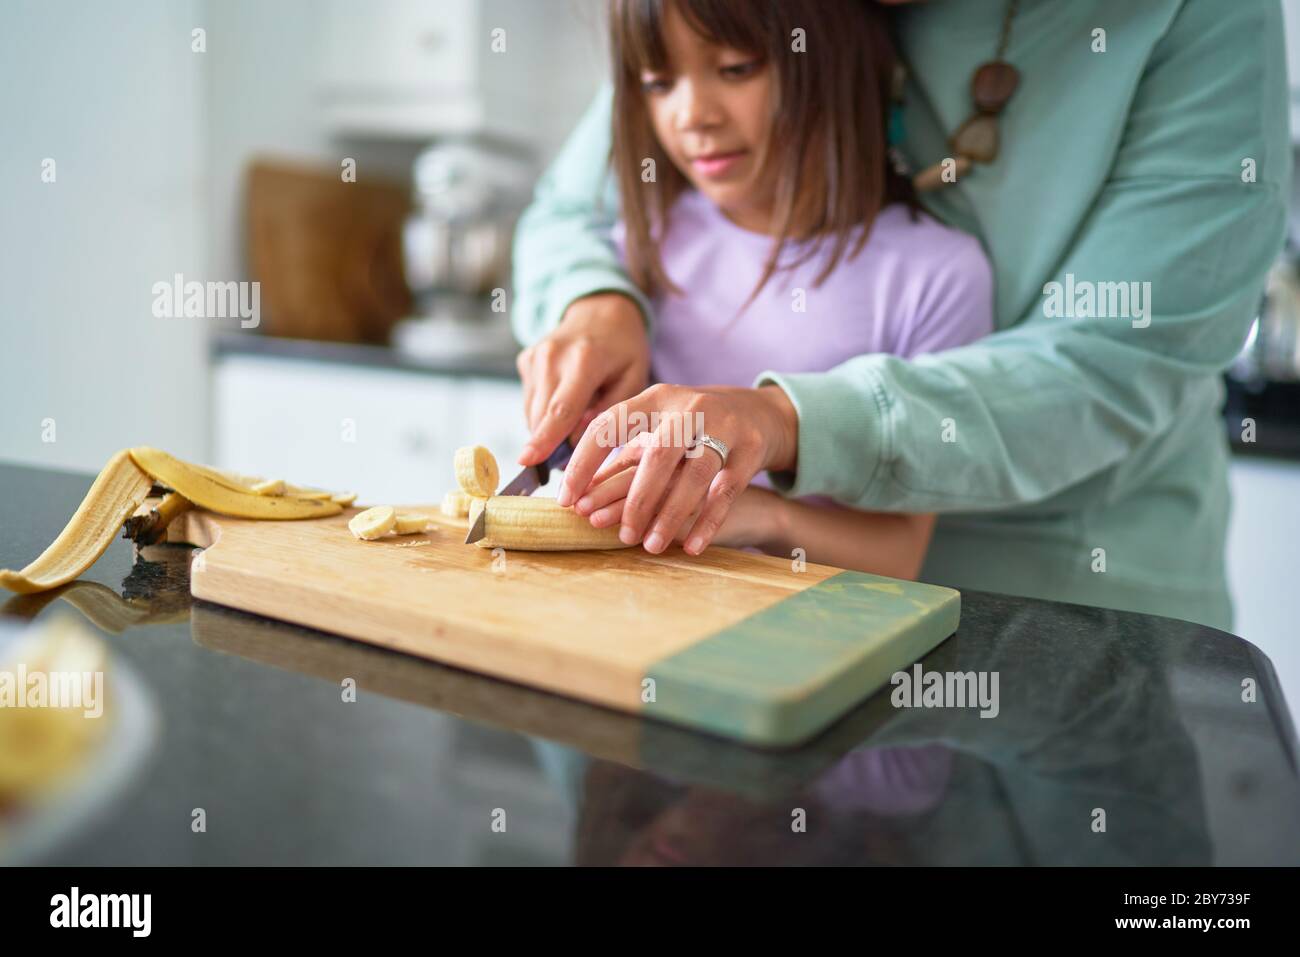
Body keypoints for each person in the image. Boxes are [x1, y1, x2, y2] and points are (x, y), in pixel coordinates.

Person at [512, 0, 1290, 631]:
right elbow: (571, 213)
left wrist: (780, 422)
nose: (694, 112)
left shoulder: (1200, 19)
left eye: (741, 67)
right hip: (731, 630)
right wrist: (595, 302)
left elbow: (1113, 363)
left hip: (1075, 614)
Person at [549, 0, 992, 578]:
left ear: (832, 63)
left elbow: (899, 554)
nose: (692, 116)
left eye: (735, 69)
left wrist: (764, 515)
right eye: (659, 83)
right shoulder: (641, 246)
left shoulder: (937, 275)